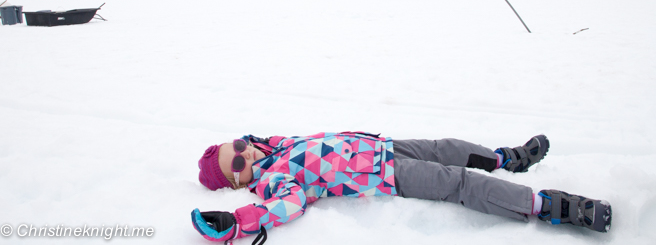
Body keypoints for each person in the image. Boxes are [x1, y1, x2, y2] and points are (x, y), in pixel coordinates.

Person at [191, 132, 612, 243]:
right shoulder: (272, 182)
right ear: (237, 182)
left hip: (382, 145)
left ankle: (506, 158)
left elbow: (265, 140)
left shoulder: (272, 146)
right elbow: (289, 205)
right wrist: (238, 221)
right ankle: (548, 206)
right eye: (240, 162)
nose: (248, 154)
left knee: (446, 148)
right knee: (457, 183)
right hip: (384, 175)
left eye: (240, 146)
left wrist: (256, 142)